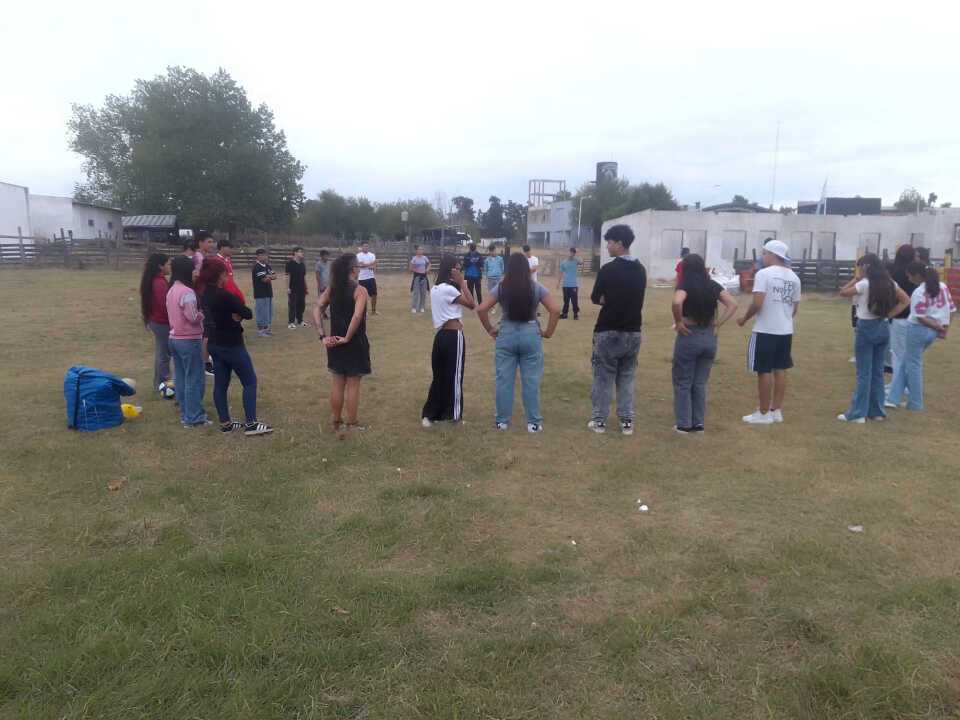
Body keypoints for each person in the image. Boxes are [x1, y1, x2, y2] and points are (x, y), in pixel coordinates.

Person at [477, 253, 560, 433]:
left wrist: (490, 329)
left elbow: (482, 309)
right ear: (526, 268)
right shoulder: (536, 287)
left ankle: (502, 422)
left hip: (506, 334)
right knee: (531, 381)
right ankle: (533, 423)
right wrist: (547, 333)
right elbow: (555, 310)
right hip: (531, 334)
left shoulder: (501, 287)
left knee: (504, 380)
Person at [198, 260, 273, 435]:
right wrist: (237, 315)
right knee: (250, 382)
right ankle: (251, 424)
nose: (227, 277)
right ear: (219, 276)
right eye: (226, 274)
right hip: (231, 344)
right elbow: (247, 313)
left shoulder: (204, 295)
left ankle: (226, 424)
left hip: (213, 343)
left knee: (221, 384)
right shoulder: (225, 296)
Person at [587, 225, 647, 435]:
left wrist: (609, 299)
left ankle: (599, 421)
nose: (607, 246)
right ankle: (626, 421)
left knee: (603, 377)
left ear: (619, 243)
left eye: (609, 242)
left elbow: (596, 297)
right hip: (633, 330)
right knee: (626, 377)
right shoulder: (641, 270)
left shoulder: (608, 270)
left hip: (608, 330)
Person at [836, 253, 909, 422]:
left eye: (860, 266)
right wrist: (889, 315)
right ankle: (877, 411)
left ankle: (858, 413)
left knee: (864, 373)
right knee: (878, 372)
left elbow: (843, 292)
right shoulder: (890, 283)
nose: (859, 269)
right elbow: (906, 300)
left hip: (866, 327)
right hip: (883, 326)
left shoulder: (864, 284)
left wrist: (856, 279)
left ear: (866, 266)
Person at [671, 253, 738, 433]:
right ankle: (698, 423)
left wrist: (678, 322)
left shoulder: (685, 285)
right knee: (700, 383)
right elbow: (732, 304)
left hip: (689, 335)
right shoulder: (712, 285)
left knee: (683, 381)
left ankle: (684, 424)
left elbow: (676, 302)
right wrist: (718, 324)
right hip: (709, 336)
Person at [737, 239, 802, 424]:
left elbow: (757, 303)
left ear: (773, 254)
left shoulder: (764, 274)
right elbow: (794, 308)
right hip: (785, 330)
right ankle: (776, 410)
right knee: (780, 369)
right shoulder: (794, 277)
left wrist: (744, 319)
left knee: (763, 370)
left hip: (765, 329)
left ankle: (763, 413)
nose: (763, 256)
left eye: (764, 253)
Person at [885, 262, 955, 411]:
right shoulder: (943, 287)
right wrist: (944, 330)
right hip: (932, 332)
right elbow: (952, 309)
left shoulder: (919, 291)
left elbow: (919, 317)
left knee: (913, 366)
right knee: (906, 363)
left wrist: (937, 327)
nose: (908, 278)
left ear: (917, 275)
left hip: (918, 330)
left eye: (909, 275)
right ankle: (893, 398)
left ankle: (915, 403)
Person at [317, 254, 371, 430]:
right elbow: (357, 316)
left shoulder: (332, 289)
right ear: (353, 269)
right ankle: (352, 423)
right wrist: (347, 337)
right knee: (353, 385)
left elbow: (317, 309)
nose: (359, 270)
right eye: (358, 267)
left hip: (334, 342)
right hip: (354, 343)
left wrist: (322, 336)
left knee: (338, 383)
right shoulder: (360, 290)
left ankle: (336, 421)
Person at [421, 255, 476, 426]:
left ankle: (430, 415)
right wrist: (462, 283)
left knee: (439, 376)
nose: (460, 272)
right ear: (450, 270)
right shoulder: (450, 290)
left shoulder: (436, 289)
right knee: (455, 377)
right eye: (458, 269)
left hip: (440, 337)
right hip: (454, 336)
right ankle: (454, 416)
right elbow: (472, 304)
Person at [165, 256, 209, 427]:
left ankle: (186, 414)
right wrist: (202, 314)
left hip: (174, 339)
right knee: (194, 378)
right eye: (193, 271)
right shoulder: (187, 292)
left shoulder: (171, 290)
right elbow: (192, 317)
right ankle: (194, 417)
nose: (195, 274)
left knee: (182, 377)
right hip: (189, 340)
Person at [139, 252, 173, 397]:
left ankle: (159, 381)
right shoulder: (159, 283)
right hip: (161, 322)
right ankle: (163, 383)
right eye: (168, 264)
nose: (170, 267)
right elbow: (164, 305)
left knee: (162, 353)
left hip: (157, 321)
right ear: (160, 266)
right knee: (164, 354)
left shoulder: (156, 280)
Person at [888, 244, 918, 373]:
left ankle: (899, 381)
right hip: (914, 316)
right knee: (909, 352)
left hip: (899, 315)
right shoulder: (916, 273)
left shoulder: (895, 272)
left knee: (898, 353)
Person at [194, 231, 217, 375]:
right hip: (201, 296)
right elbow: (195, 279)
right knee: (207, 330)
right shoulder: (198, 258)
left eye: (212, 242)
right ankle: (205, 363)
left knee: (207, 330)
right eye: (209, 242)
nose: (212, 244)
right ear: (200, 243)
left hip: (204, 295)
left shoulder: (203, 257)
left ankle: (205, 357)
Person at [252, 249, 276, 337]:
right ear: (258, 256)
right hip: (260, 294)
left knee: (268, 312)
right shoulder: (257, 267)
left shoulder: (267, 266)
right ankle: (261, 331)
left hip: (268, 293)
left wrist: (269, 276)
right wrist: (269, 276)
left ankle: (266, 330)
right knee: (261, 312)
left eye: (266, 255)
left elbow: (275, 276)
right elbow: (264, 279)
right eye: (264, 255)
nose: (266, 257)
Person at [285, 246, 308, 328]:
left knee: (301, 305)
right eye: (300, 251)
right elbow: (288, 276)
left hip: (302, 288)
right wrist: (287, 288)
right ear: (295, 253)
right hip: (293, 288)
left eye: (302, 252)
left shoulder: (302, 264)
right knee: (292, 305)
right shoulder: (289, 264)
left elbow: (304, 277)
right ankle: (291, 322)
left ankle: (300, 320)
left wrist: (306, 287)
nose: (302, 253)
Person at [558, 247, 582, 320]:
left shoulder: (576, 261)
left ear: (574, 254)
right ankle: (564, 314)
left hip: (574, 285)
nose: (571, 254)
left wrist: (578, 253)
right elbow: (560, 272)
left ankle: (575, 315)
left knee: (574, 301)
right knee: (566, 300)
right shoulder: (564, 262)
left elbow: (581, 262)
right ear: (568, 252)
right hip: (565, 285)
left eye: (573, 253)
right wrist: (558, 282)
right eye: (570, 252)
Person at [356, 241, 378, 315]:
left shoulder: (372, 255)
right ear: (361, 247)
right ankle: (364, 311)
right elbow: (361, 265)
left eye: (367, 246)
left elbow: (373, 267)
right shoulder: (358, 255)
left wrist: (372, 266)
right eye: (364, 246)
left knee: (374, 294)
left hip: (371, 277)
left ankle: (373, 310)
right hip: (362, 278)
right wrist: (371, 264)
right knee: (363, 296)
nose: (366, 247)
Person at [409, 245, 431, 313]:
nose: (420, 251)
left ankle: (422, 307)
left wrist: (427, 269)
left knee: (423, 293)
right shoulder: (414, 259)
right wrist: (419, 271)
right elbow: (411, 268)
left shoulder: (425, 258)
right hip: (417, 277)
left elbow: (429, 264)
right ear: (416, 251)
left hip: (424, 277)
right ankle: (414, 307)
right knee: (416, 292)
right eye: (419, 249)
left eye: (421, 249)